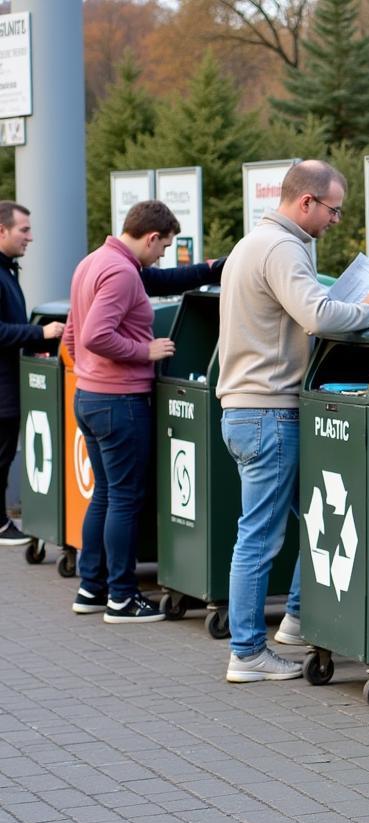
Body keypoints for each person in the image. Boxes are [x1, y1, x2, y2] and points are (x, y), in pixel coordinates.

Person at [217, 160, 369, 684]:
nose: (336, 219)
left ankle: (295, 618)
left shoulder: (252, 244)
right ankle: (246, 651)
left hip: (247, 411)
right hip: (269, 412)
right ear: (306, 202)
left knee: (316, 519)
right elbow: (317, 316)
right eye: (333, 209)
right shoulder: (283, 249)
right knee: (259, 537)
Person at [64, 200, 184, 623]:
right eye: (164, 247)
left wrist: (87, 371)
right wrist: (144, 352)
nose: (162, 256)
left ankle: (90, 587)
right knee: (125, 500)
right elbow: (96, 334)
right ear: (151, 237)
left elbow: (73, 333)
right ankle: (121, 596)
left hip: (90, 396)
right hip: (119, 402)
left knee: (106, 494)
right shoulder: (120, 272)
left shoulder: (92, 261)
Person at [0, 201, 65, 545]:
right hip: (2, 386)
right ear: (2, 231)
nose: (31, 237)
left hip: (9, 381)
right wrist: (40, 333)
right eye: (23, 230)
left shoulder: (8, 269)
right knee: (2, 452)